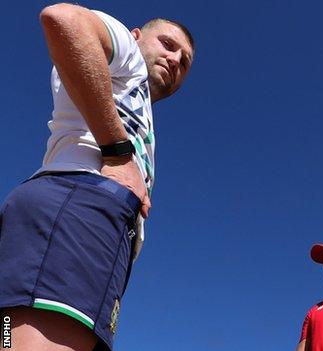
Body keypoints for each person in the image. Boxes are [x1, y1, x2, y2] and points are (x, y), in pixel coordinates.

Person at [0, 3, 194, 351]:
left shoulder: (134, 99)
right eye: (168, 44)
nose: (176, 60)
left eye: (185, 61)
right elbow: (64, 20)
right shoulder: (128, 57)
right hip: (79, 205)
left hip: (96, 225)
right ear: (136, 36)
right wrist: (118, 153)